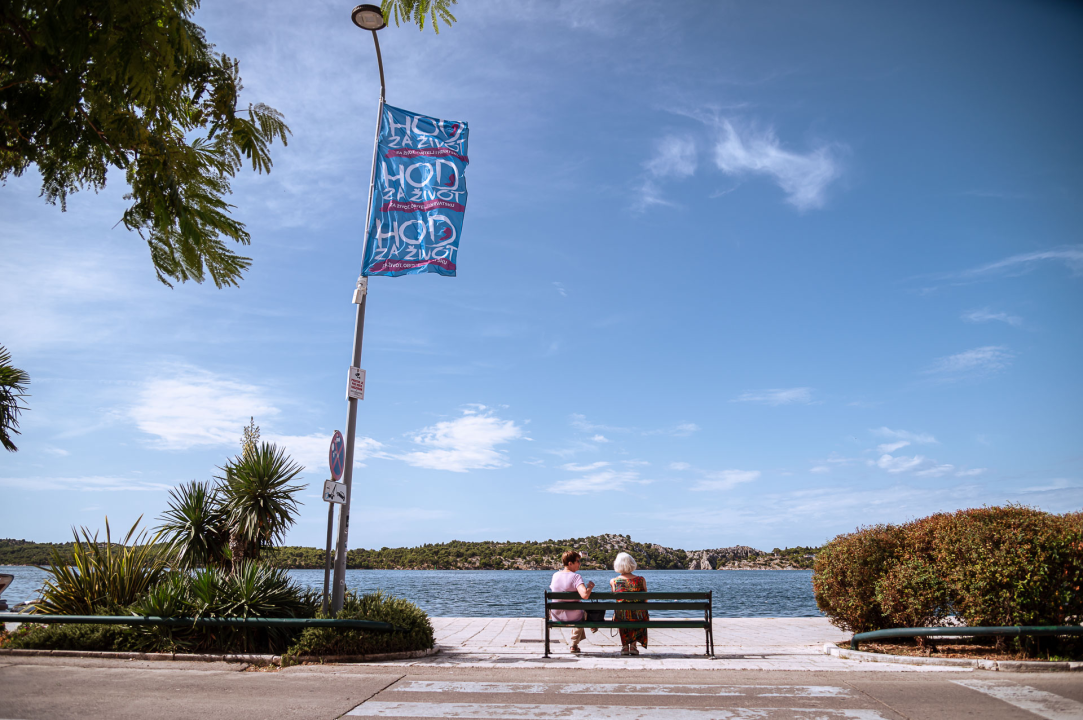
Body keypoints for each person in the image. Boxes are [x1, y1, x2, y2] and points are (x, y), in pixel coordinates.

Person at [549, 550, 595, 654]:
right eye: (578, 561)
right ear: (570, 563)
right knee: (582, 613)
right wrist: (590, 587)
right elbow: (585, 595)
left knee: (580, 610)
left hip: (555, 616)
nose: (580, 564)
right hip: (573, 616)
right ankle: (574, 644)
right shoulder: (576, 577)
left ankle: (575, 644)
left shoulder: (555, 575)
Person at [610, 551, 648, 656]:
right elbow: (645, 600)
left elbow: (617, 600)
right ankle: (634, 646)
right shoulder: (641, 580)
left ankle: (625, 646)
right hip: (639, 615)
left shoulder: (614, 581)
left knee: (622, 613)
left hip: (622, 615)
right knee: (636, 612)